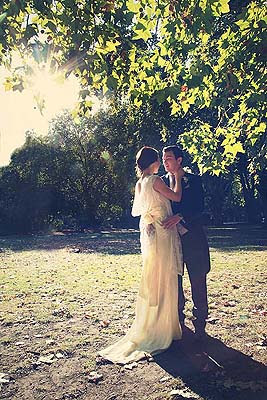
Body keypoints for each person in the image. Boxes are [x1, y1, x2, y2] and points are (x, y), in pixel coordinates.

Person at [99, 146, 184, 364]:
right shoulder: (155, 180)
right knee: (164, 277)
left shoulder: (140, 183)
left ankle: (156, 323)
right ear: (154, 162)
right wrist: (177, 176)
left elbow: (138, 211)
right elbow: (176, 197)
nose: (161, 162)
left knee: (154, 276)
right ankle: (162, 329)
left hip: (151, 231)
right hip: (162, 231)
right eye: (159, 159)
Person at [162, 145, 211, 340]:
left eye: (169, 158)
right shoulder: (161, 182)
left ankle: (201, 322)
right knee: (175, 280)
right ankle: (178, 320)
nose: (165, 162)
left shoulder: (194, 180)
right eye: (163, 159)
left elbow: (200, 208)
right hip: (170, 241)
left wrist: (181, 216)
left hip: (194, 238)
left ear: (179, 160)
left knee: (198, 279)